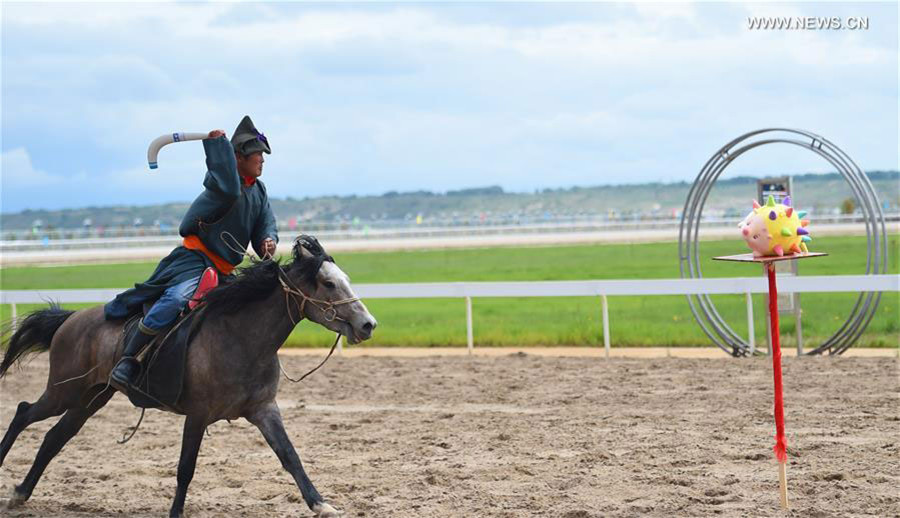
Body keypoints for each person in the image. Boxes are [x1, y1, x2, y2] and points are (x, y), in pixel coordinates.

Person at [105, 115, 278, 387]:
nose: (263, 160)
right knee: (175, 300)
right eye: (258, 154)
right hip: (194, 262)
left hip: (224, 271)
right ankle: (128, 358)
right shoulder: (223, 186)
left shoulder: (259, 191)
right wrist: (219, 147)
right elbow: (229, 183)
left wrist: (268, 240)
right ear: (238, 158)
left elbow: (265, 224)